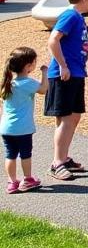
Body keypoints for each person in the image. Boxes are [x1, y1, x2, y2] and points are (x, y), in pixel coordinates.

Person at [45, 0, 88, 181]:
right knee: (66, 119)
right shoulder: (70, 16)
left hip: (76, 73)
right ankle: (57, 163)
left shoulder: (78, 17)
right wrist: (63, 66)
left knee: (73, 117)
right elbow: (53, 40)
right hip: (64, 74)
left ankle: (63, 158)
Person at [2, 48, 48, 193]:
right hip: (23, 128)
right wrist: (44, 73)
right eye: (34, 62)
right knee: (25, 154)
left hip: (6, 128)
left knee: (10, 155)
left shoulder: (8, 83)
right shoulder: (27, 82)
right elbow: (43, 90)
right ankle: (27, 179)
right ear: (28, 66)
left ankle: (12, 182)